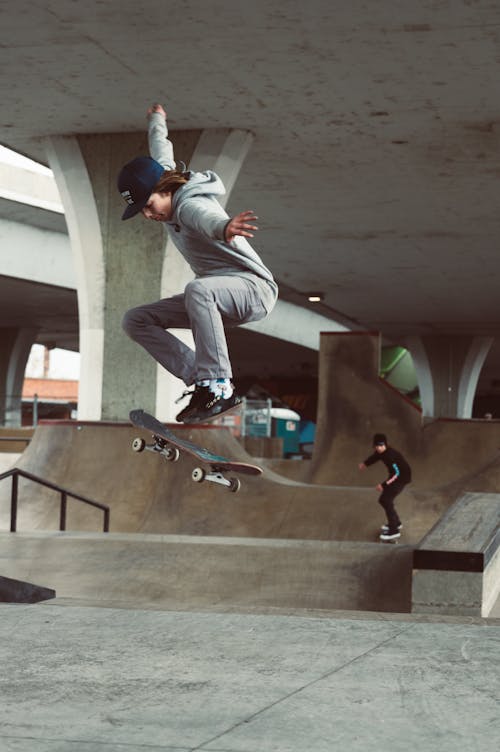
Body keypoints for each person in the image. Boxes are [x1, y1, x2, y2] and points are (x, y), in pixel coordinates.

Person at [118, 103, 278, 423]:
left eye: (149, 206)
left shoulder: (189, 205)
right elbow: (160, 150)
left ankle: (219, 384)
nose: (150, 216)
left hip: (253, 289)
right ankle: (200, 381)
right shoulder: (162, 178)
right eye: (143, 212)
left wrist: (224, 228)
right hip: (221, 294)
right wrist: (156, 120)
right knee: (135, 320)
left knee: (198, 290)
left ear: (164, 188)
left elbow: (206, 219)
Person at [358, 433, 412, 541]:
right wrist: (365, 463)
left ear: (386, 445)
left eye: (381, 446)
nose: (379, 448)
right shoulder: (380, 452)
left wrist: (383, 485)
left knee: (385, 500)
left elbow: (397, 474)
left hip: (401, 478)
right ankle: (396, 522)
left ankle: (394, 531)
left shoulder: (390, 456)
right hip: (397, 477)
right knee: (384, 500)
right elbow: (375, 457)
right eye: (377, 446)